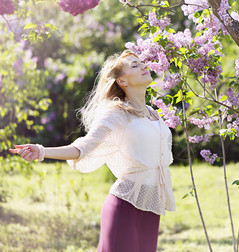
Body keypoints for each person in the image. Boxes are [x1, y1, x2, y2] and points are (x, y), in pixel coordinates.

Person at [9, 50, 176, 252]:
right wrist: (42, 151)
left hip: (151, 205)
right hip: (125, 206)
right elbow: (84, 147)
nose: (143, 66)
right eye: (135, 65)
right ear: (122, 81)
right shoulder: (116, 114)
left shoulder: (152, 114)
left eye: (142, 63)